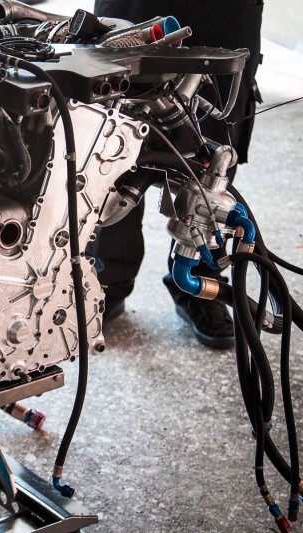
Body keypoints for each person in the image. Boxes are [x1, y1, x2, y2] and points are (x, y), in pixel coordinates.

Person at [92, 0, 264, 348]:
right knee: (113, 141)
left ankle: (199, 282)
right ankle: (103, 280)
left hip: (223, 16)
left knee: (213, 153)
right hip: (136, 8)